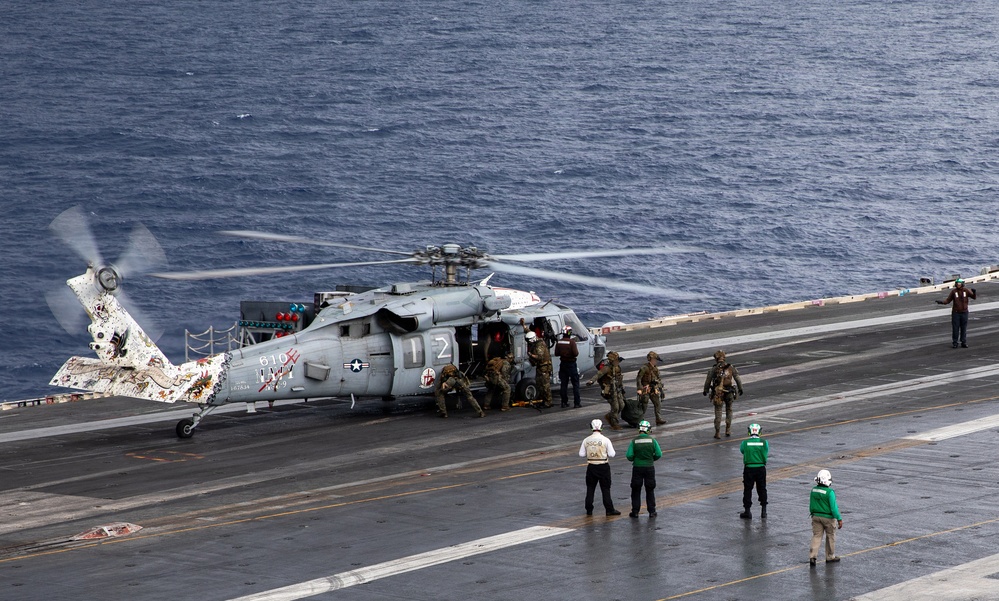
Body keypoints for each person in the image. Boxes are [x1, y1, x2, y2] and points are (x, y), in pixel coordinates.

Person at [578, 419, 621, 516]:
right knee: (605, 489)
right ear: (601, 427)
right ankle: (609, 509)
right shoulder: (605, 440)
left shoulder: (586, 440)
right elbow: (612, 454)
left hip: (591, 466)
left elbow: (581, 454)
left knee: (590, 488)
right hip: (603, 466)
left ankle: (589, 509)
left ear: (591, 427)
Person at [626, 419, 662, 518]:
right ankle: (652, 511)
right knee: (650, 489)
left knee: (636, 490)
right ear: (648, 430)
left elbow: (629, 456)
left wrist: (636, 459)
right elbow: (659, 454)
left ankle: (635, 511)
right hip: (649, 467)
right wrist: (651, 459)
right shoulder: (652, 441)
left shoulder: (634, 441)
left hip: (637, 467)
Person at [703, 350, 743, 439]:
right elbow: (737, 378)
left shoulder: (714, 369)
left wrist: (705, 390)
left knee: (718, 412)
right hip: (729, 392)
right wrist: (740, 388)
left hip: (718, 393)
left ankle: (717, 433)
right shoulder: (731, 367)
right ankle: (728, 429)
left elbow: (708, 380)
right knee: (729, 410)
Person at [809, 469, 843, 566]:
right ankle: (830, 556)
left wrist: (813, 514)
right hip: (828, 518)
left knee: (816, 536)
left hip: (816, 516)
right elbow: (833, 508)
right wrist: (839, 518)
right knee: (830, 536)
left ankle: (812, 556)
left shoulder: (813, 490)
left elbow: (811, 505)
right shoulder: (830, 492)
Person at [586, 351, 624, 430]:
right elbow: (598, 374)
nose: (618, 362)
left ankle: (610, 416)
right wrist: (591, 381)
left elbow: (619, 378)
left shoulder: (617, 368)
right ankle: (614, 424)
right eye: (616, 360)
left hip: (618, 389)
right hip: (610, 391)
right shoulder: (606, 368)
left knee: (622, 405)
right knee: (615, 407)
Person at [739, 423, 768, 519]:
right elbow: (766, 450)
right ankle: (764, 511)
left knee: (748, 489)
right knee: (762, 488)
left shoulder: (745, 443)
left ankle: (747, 511)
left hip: (749, 468)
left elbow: (742, 451)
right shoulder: (764, 442)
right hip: (760, 468)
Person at [936, 278, 977, 348]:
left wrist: (974, 292)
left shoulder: (966, 291)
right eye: (957, 283)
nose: (958, 285)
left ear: (962, 284)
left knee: (963, 328)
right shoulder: (953, 292)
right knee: (955, 328)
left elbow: (974, 297)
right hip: (956, 313)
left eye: (959, 283)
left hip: (964, 313)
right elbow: (948, 300)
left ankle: (963, 342)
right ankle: (955, 343)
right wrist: (941, 302)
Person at [521, 318, 553, 407]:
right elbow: (529, 331)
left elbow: (540, 357)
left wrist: (531, 355)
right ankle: (544, 400)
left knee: (545, 385)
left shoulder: (539, 345)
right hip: (540, 367)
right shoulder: (535, 338)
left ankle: (548, 402)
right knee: (539, 384)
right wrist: (523, 325)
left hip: (544, 367)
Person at [636, 351, 667, 425]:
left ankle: (658, 418)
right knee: (644, 404)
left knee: (657, 403)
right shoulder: (644, 368)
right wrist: (639, 388)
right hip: (645, 388)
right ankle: (640, 419)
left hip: (653, 388)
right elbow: (639, 378)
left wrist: (660, 388)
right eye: (654, 360)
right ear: (650, 359)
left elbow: (658, 379)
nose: (655, 361)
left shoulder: (655, 369)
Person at [555, 327, 581, 408]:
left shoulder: (559, 342)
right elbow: (576, 353)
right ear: (569, 333)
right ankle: (577, 403)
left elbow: (556, 353)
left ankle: (564, 402)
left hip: (563, 364)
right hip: (571, 364)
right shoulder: (572, 342)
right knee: (575, 384)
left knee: (563, 384)